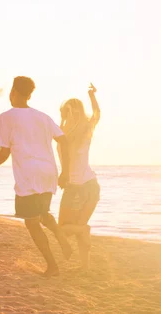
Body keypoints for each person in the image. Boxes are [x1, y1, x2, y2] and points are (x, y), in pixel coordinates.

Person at [0, 76, 72, 277]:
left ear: (13, 92)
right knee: (42, 214)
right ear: (30, 94)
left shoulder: (6, 117)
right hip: (49, 172)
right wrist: (65, 171)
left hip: (28, 175)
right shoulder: (42, 116)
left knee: (31, 223)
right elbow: (64, 141)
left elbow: (4, 153)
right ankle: (59, 233)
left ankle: (52, 266)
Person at [57, 83, 101, 269]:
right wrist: (91, 96)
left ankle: (84, 230)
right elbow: (97, 114)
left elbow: (96, 114)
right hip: (90, 186)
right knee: (80, 230)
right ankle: (85, 267)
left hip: (77, 187)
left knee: (62, 230)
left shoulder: (70, 133)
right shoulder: (83, 130)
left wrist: (91, 96)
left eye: (69, 112)